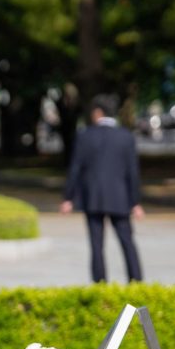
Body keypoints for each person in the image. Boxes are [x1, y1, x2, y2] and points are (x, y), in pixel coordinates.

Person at [61, 94, 144, 283]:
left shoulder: (85, 136)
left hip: (93, 197)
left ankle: (100, 283)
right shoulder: (125, 137)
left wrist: (68, 198)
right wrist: (136, 202)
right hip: (120, 197)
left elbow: (75, 169)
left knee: (96, 245)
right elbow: (132, 172)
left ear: (97, 112)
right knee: (127, 241)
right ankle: (136, 281)